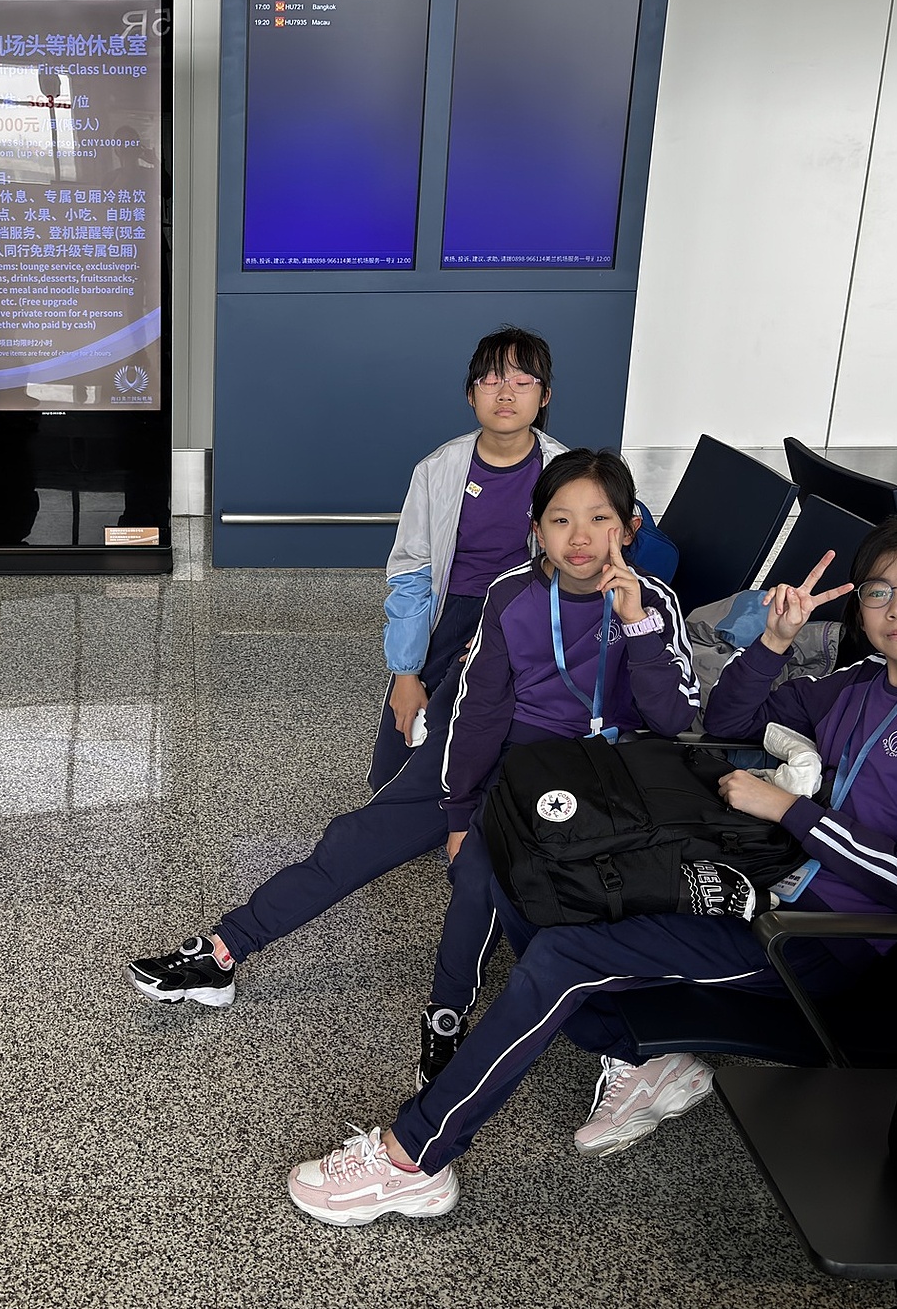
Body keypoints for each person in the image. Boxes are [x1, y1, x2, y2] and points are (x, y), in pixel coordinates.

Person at [283, 507, 897, 1227]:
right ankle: (641, 1057)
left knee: (567, 955)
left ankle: (414, 1158)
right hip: (749, 877)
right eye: (880, 591)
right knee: (536, 873)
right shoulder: (859, 684)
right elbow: (728, 722)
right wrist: (773, 641)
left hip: (820, 936)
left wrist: (788, 811)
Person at [130, 450, 699, 1083]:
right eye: (561, 520)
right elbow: (478, 711)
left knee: (479, 872)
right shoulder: (511, 595)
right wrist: (459, 810)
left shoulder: (654, 602)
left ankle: (447, 1014)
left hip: (580, 769)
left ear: (629, 529)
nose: (581, 537)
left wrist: (635, 625)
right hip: (491, 747)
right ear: (536, 529)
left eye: (600, 519)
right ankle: (225, 950)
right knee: (358, 836)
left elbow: (672, 718)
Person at [375, 327, 567, 793]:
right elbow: (412, 573)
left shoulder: (564, 472)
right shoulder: (437, 470)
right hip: (454, 610)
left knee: (498, 726)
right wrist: (405, 673)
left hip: (525, 611)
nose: (506, 393)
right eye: (491, 380)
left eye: (522, 381)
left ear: (544, 396)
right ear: (471, 394)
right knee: (402, 750)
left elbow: (574, 571)